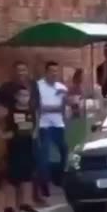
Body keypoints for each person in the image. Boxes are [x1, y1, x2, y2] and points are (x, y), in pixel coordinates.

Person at [0, 84, 38, 212]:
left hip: (28, 145)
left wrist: (34, 134)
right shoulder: (9, 111)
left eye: (27, 95)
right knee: (12, 178)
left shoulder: (32, 110)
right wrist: (2, 134)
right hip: (14, 147)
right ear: (16, 97)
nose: (24, 98)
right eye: (21, 95)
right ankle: (9, 206)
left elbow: (35, 125)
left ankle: (25, 203)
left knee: (27, 176)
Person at [35, 62, 70, 199]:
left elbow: (65, 108)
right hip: (43, 125)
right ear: (46, 72)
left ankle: (58, 178)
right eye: (51, 71)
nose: (54, 74)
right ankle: (44, 182)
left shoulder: (62, 88)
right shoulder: (38, 86)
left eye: (56, 71)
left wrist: (66, 100)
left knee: (64, 150)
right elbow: (38, 107)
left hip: (58, 124)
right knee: (44, 154)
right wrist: (55, 109)